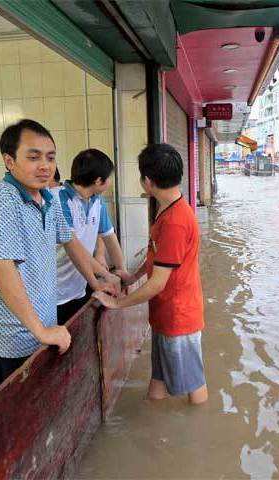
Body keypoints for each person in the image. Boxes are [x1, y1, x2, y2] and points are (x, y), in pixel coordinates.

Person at [0, 119, 114, 397]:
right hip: (7, 338)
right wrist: (41, 331)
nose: (45, 166)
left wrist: (97, 285)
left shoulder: (47, 198)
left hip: (38, 331)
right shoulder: (3, 196)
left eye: (50, 157)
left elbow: (70, 242)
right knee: (8, 420)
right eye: (33, 157)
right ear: (9, 161)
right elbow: (2, 267)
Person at [93, 143, 208, 405]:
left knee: (194, 389)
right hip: (165, 314)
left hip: (179, 318)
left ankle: (198, 435)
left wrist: (117, 303)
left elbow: (157, 283)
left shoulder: (175, 222)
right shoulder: (167, 210)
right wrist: (131, 278)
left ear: (147, 181)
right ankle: (152, 420)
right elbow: (157, 260)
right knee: (158, 381)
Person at [53, 149, 127, 325]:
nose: (110, 182)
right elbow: (74, 248)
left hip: (79, 285)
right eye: (108, 178)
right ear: (98, 181)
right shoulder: (59, 200)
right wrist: (103, 276)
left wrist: (121, 271)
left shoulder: (97, 201)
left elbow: (110, 238)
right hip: (54, 291)